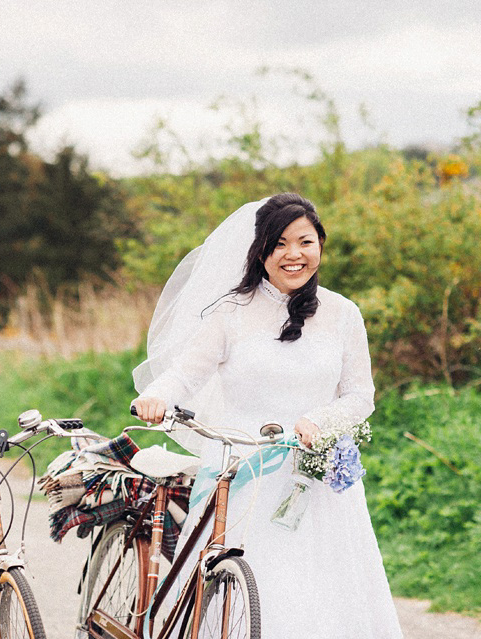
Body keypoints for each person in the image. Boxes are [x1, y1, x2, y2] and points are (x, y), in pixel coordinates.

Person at [131, 193, 403, 638]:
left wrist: (322, 421)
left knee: (324, 597)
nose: (294, 254)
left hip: (315, 479)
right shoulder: (229, 313)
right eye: (279, 244)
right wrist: (156, 397)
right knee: (243, 589)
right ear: (260, 251)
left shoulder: (342, 313)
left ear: (320, 244)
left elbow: (360, 396)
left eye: (305, 241)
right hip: (241, 471)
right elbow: (184, 376)